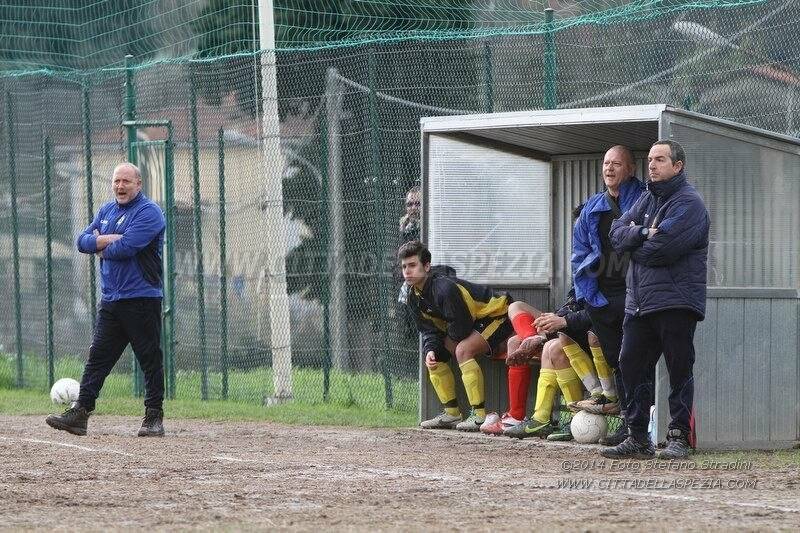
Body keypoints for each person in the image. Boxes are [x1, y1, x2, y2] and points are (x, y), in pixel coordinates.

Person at [603, 140, 709, 460]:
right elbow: (616, 234)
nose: (652, 165)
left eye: (660, 160)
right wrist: (643, 234)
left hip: (676, 301)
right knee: (630, 365)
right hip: (639, 303)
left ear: (677, 166)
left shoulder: (689, 203)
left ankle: (678, 437)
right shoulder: (647, 197)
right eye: (650, 159)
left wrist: (638, 241)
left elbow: (662, 249)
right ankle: (638, 438)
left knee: (679, 370)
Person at [46, 162, 167, 437]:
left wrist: (102, 244)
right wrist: (105, 240)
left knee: (149, 359)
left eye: (126, 181)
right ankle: (80, 413)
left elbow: (126, 248)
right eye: (116, 181)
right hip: (111, 299)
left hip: (141, 298)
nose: (120, 186)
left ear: (139, 184)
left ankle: (153, 417)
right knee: (97, 359)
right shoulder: (106, 210)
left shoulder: (150, 213)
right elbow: (82, 242)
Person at [398, 240, 518, 431]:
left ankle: (479, 416)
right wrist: (431, 349)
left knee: (462, 350)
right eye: (404, 266)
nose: (407, 271)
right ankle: (452, 414)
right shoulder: (412, 295)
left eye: (412, 265)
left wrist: (443, 341)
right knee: (434, 356)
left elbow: (460, 327)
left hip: (499, 314)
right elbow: (428, 330)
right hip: (473, 323)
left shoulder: (444, 288)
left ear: (426, 266)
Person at [570, 145, 645, 446]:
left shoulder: (644, 201)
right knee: (616, 361)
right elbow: (579, 252)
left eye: (616, 163)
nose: (609, 168)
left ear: (630, 169)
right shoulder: (591, 208)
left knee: (634, 360)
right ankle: (628, 422)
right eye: (605, 163)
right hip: (602, 298)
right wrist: (586, 293)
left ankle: (641, 424)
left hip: (635, 294)